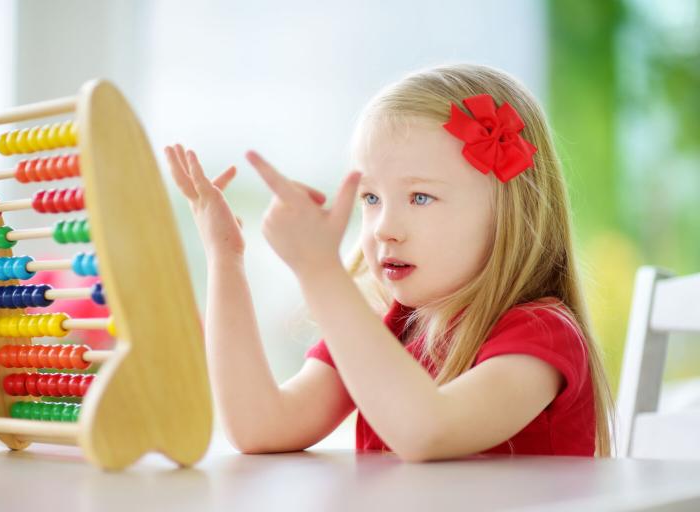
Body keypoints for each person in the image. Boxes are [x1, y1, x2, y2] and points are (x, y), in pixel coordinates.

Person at [164, 63, 615, 462]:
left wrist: (321, 272)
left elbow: (428, 431)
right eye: (371, 198)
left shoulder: (542, 336)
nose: (383, 228)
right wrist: (226, 257)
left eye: (420, 197)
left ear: (511, 213)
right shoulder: (389, 331)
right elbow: (260, 426)